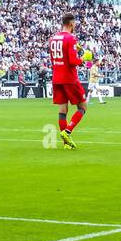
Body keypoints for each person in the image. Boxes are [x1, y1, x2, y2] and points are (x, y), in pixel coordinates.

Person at [50, 11, 86, 149]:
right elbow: (73, 61)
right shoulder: (71, 38)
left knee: (62, 109)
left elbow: (54, 59)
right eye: (75, 23)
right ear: (71, 23)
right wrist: (84, 58)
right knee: (82, 107)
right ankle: (68, 131)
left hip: (57, 77)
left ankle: (66, 144)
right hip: (69, 78)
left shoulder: (53, 38)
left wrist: (73, 49)